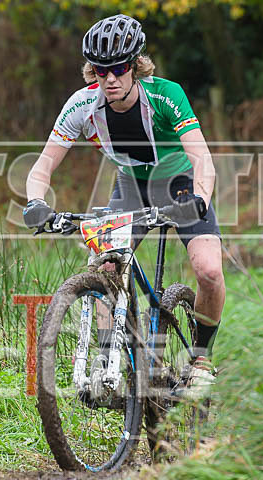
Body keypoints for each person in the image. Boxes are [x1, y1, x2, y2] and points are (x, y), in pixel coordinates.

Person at [22, 14, 224, 395]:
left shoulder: (165, 95)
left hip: (180, 183)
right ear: (92, 71)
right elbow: (42, 166)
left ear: (135, 65)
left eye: (118, 68)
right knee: (107, 267)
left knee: (209, 270)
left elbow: (202, 159)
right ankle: (107, 363)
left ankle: (200, 357)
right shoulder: (82, 105)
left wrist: (198, 200)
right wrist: (36, 202)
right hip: (131, 186)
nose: (110, 78)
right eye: (101, 70)